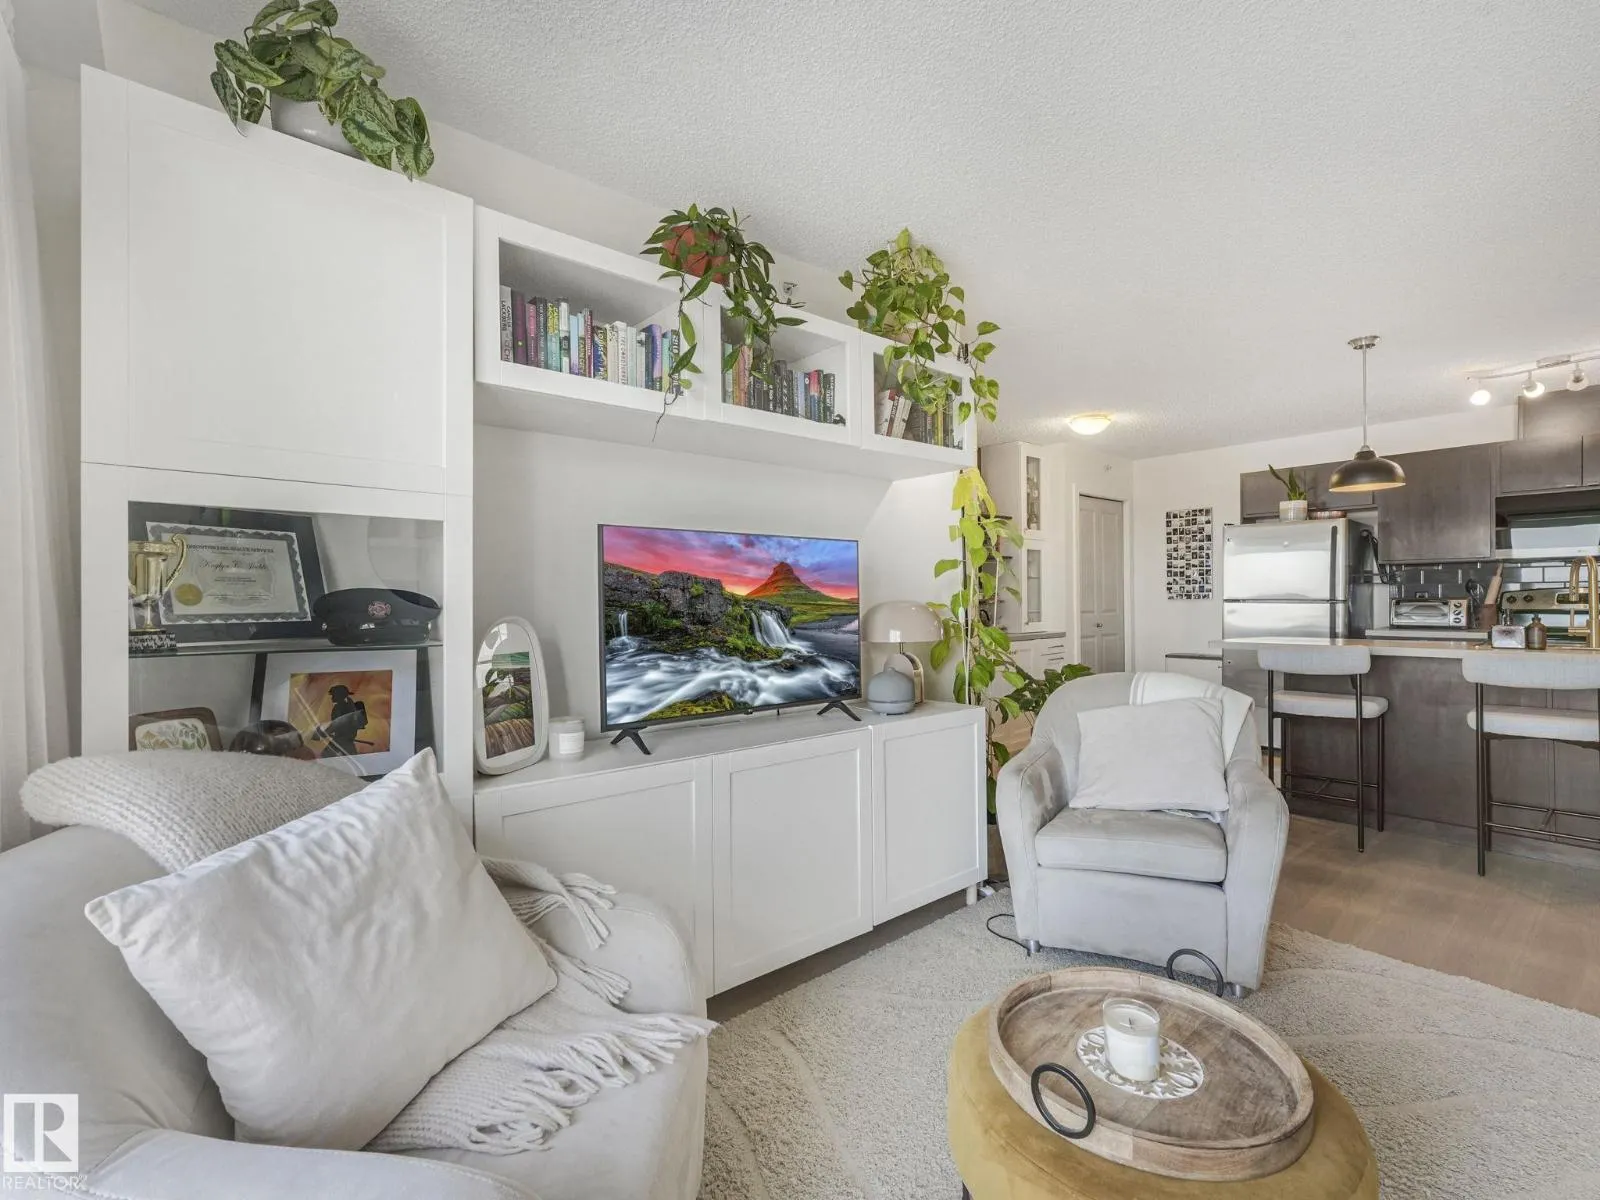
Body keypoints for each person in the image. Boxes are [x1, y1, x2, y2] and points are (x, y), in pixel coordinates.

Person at [312, 683, 369, 759]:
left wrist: (323, 734)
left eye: (333, 695)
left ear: (339, 696)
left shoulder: (339, 708)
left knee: (325, 756)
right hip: (347, 740)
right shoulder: (350, 703)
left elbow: (337, 724)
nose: (332, 697)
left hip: (341, 740)